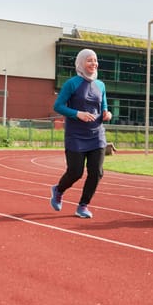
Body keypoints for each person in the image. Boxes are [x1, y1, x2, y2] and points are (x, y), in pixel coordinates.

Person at [50, 48, 112, 218]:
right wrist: (78, 114)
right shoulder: (72, 83)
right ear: (81, 62)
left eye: (95, 60)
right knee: (76, 172)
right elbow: (58, 106)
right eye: (89, 60)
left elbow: (104, 106)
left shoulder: (101, 85)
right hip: (76, 135)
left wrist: (107, 113)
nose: (94, 63)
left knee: (97, 172)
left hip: (97, 135)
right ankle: (58, 189)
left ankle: (83, 205)